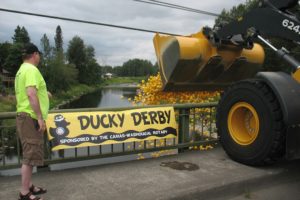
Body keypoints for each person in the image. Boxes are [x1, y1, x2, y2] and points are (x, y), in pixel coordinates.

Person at [15, 43, 49, 200]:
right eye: (39, 54)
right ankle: (24, 193)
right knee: (29, 157)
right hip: (30, 117)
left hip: (24, 116)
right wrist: (40, 117)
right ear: (35, 54)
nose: (39, 57)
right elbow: (30, 94)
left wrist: (44, 93)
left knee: (29, 152)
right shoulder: (31, 69)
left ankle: (29, 186)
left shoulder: (22, 70)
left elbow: (31, 91)